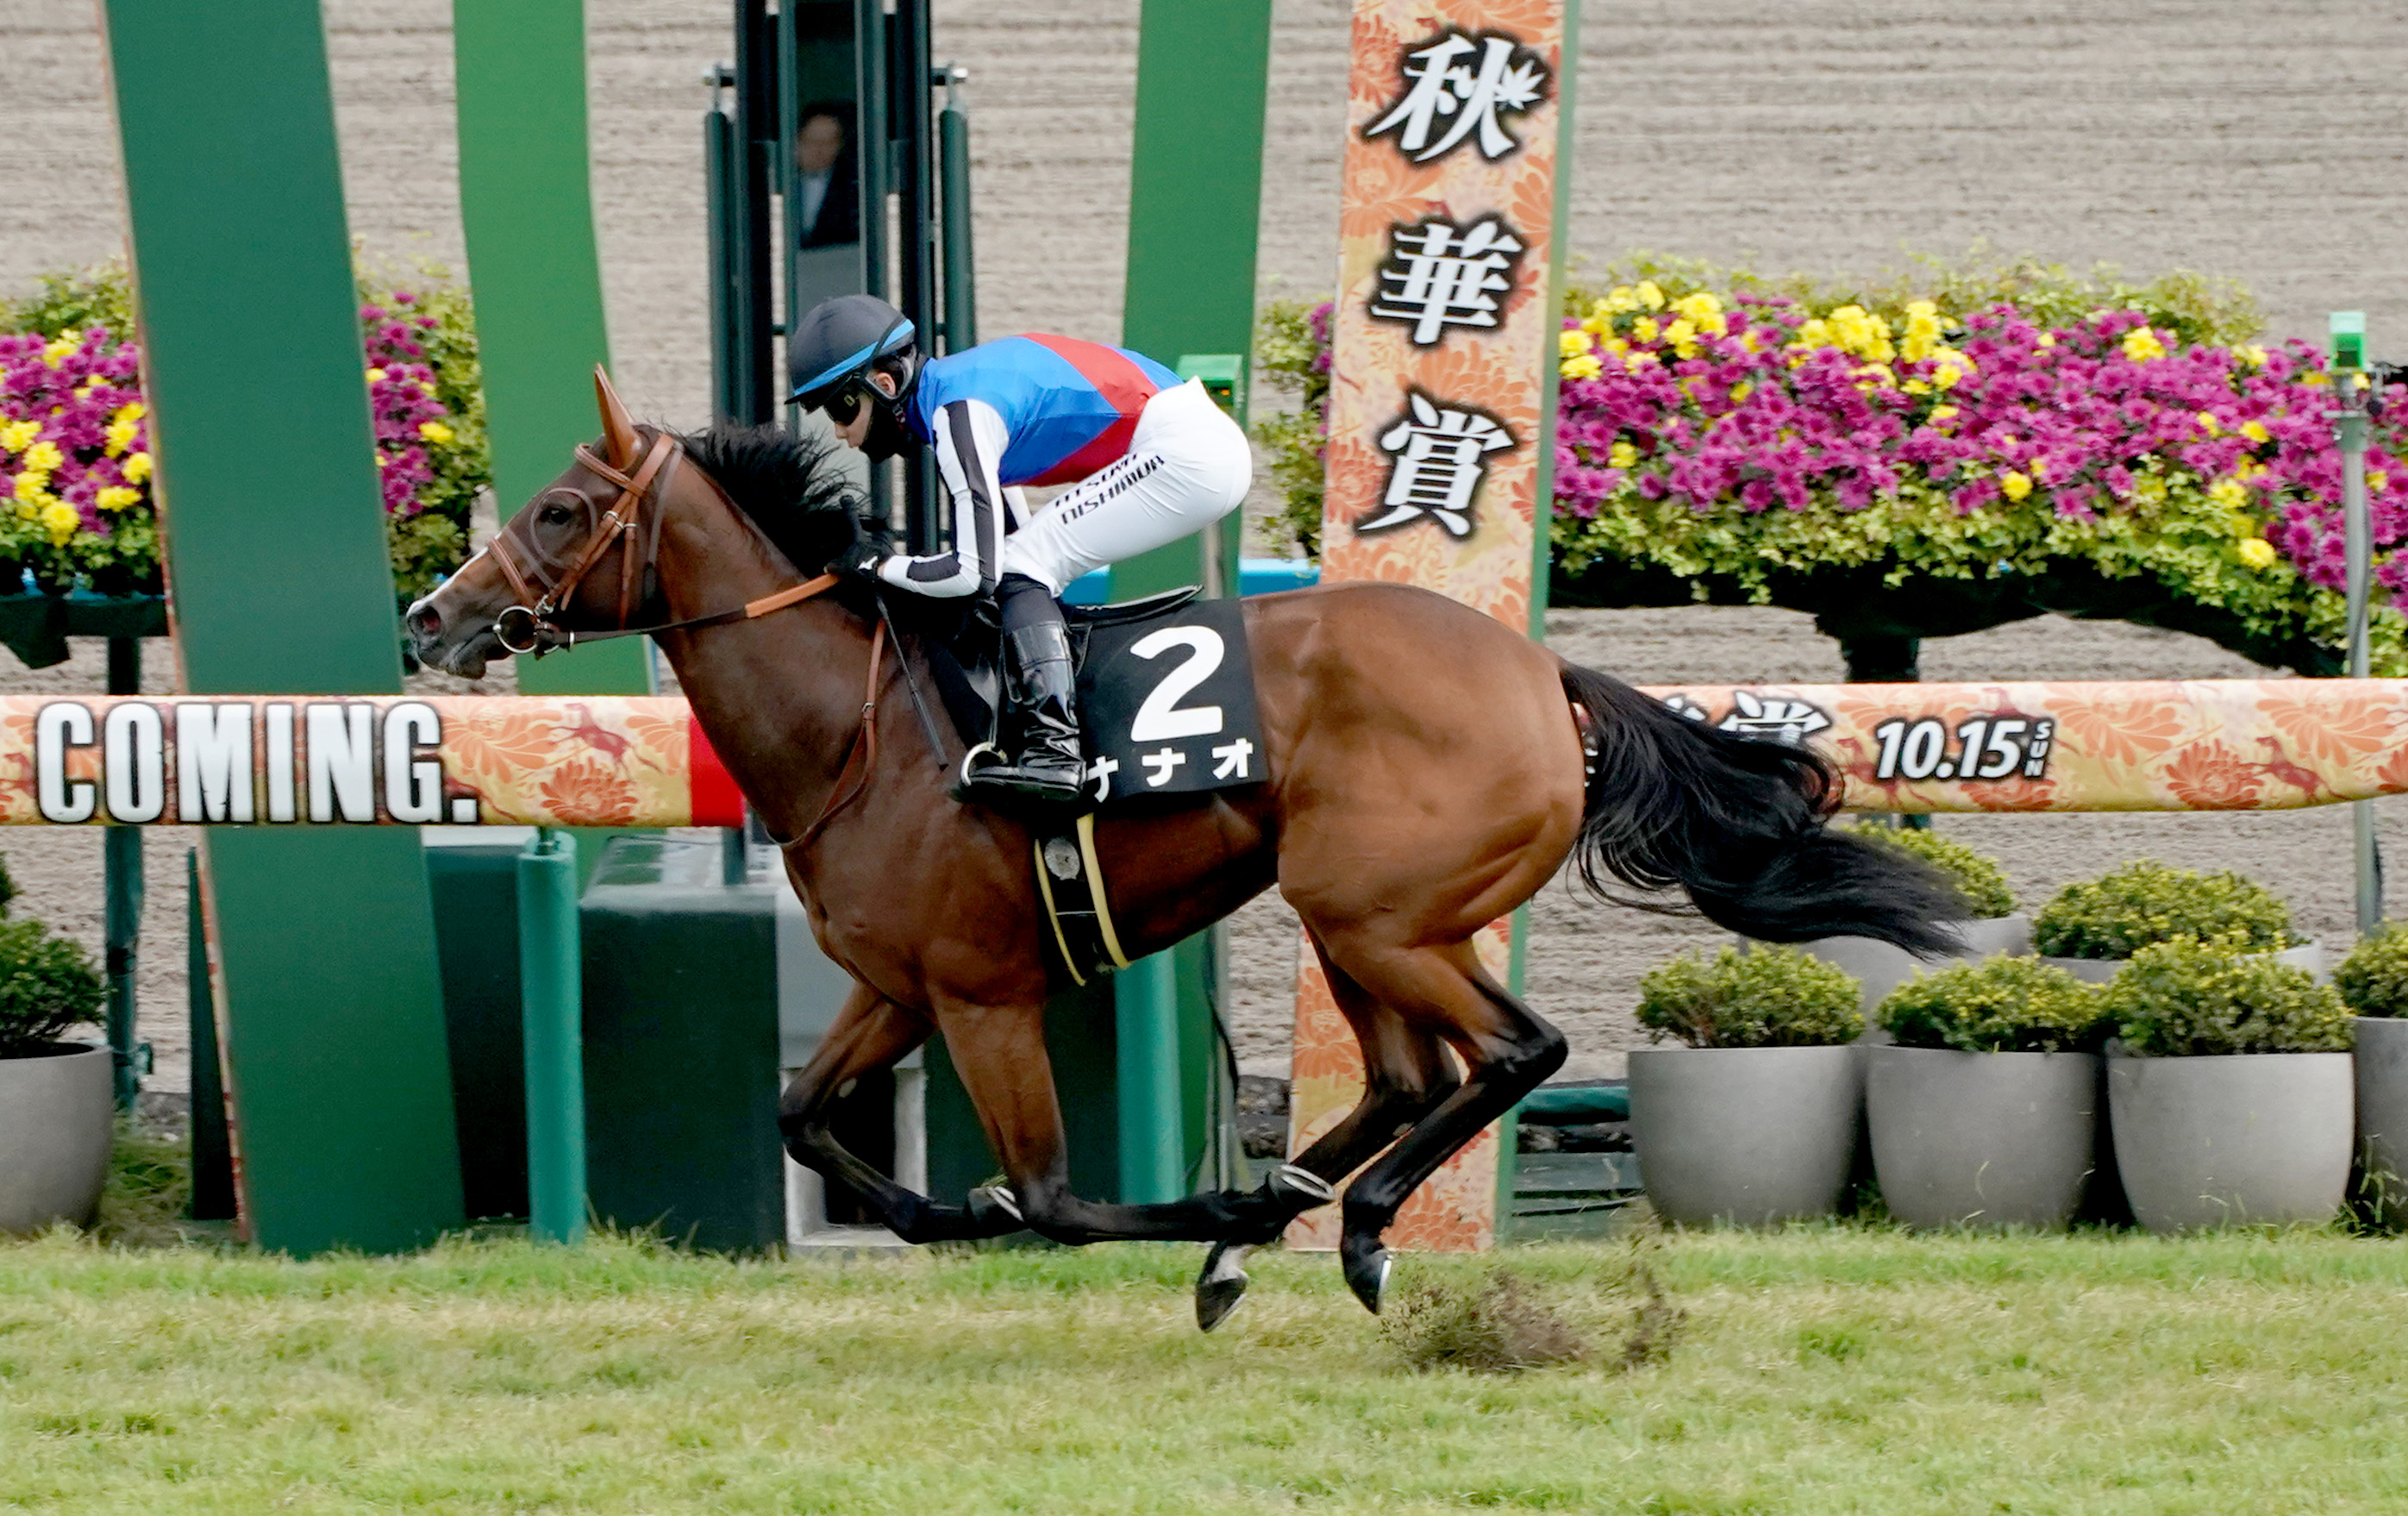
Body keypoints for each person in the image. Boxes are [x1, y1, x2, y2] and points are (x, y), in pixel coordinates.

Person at [785, 293, 1251, 807]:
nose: (838, 430)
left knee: (1025, 568)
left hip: (1190, 454)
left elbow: (973, 574)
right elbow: (1002, 549)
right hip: (1193, 443)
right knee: (1025, 565)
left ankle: (1054, 752)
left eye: (839, 407)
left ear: (884, 384)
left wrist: (877, 565)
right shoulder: (956, 396)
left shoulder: (956, 414)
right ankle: (1051, 715)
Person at [792, 102, 858, 248]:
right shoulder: (778, 181)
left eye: (829, 143)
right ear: (796, 141)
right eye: (812, 142)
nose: (819, 151)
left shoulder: (851, 188)